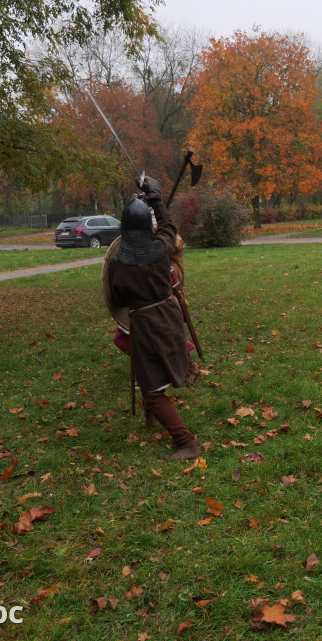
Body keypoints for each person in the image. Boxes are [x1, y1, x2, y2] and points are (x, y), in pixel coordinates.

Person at [106, 176, 202, 460]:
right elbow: (170, 226)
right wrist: (156, 198)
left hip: (145, 324)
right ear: (149, 227)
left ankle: (186, 443)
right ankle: (152, 418)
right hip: (169, 315)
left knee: (151, 388)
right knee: (155, 374)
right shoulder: (161, 249)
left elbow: (119, 300)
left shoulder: (118, 264)